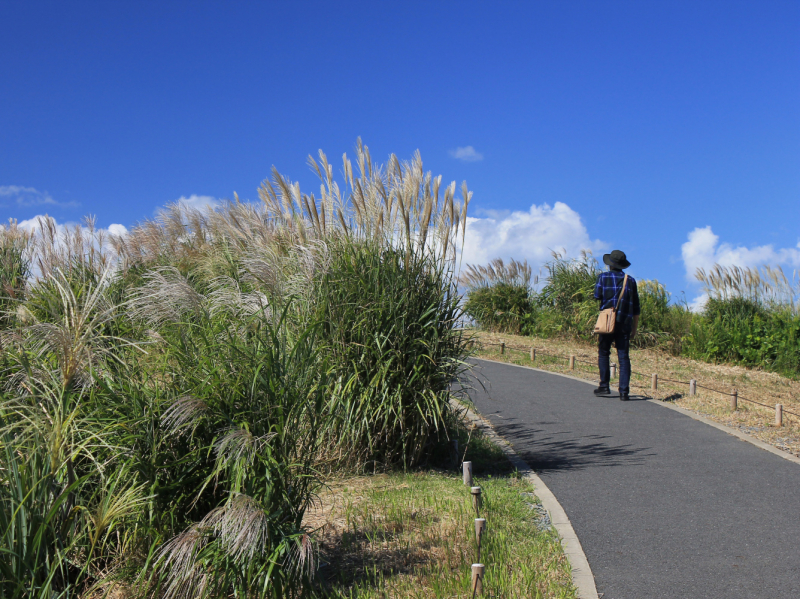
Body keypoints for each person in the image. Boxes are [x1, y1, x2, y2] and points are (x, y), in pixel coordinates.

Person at [593, 250, 640, 401]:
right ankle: (624, 391)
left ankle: (604, 386)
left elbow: (597, 296)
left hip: (607, 321)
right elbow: (636, 308)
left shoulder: (603, 277)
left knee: (604, 352)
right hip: (624, 322)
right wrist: (634, 328)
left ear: (610, 264)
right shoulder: (630, 280)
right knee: (623, 357)